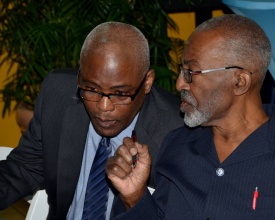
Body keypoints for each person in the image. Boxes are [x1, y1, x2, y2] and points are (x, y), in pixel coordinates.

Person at [106, 14, 275, 219]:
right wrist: (134, 197)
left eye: (191, 72)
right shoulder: (177, 145)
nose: (180, 84)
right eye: (181, 71)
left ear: (239, 82)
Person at [0, 22, 183, 219]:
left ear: (147, 82)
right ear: (80, 77)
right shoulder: (58, 94)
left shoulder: (177, 132)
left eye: (120, 93)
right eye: (92, 89)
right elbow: (25, 169)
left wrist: (136, 198)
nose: (103, 107)